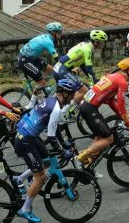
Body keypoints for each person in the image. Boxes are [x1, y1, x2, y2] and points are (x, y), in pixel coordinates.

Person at [11, 79, 79, 223]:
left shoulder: (51, 101)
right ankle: (25, 210)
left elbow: (55, 128)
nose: (73, 97)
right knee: (40, 177)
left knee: (46, 162)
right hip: (25, 141)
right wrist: (63, 151)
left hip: (29, 135)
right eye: (72, 94)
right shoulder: (55, 108)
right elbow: (51, 137)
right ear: (65, 93)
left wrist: (64, 144)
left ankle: (20, 179)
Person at [75, 58, 129, 167]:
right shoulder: (122, 82)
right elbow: (120, 104)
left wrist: (122, 117)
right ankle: (79, 157)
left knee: (99, 139)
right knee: (109, 138)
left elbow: (111, 102)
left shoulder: (112, 76)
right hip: (90, 109)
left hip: (85, 106)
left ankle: (86, 166)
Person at [54, 30, 108, 106]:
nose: (104, 44)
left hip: (59, 69)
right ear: (96, 42)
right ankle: (64, 112)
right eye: (103, 42)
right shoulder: (88, 50)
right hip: (62, 70)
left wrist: (94, 79)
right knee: (85, 92)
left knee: (69, 94)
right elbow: (89, 69)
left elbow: (83, 66)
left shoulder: (86, 45)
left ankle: (63, 109)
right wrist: (93, 83)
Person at [18, 22, 64, 109]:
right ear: (53, 33)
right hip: (25, 60)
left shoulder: (48, 37)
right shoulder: (48, 42)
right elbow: (57, 58)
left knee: (50, 69)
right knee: (41, 82)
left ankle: (44, 88)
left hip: (31, 58)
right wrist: (66, 66)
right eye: (59, 32)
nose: (61, 34)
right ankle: (31, 105)